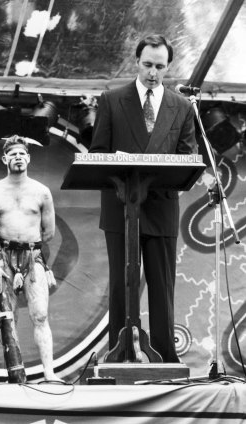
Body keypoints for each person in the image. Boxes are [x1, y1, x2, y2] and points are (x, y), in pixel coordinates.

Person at [89, 34, 198, 362]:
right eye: (148, 64)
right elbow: (97, 153)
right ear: (137, 61)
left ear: (168, 67)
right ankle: (119, 356)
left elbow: (187, 158)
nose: (153, 72)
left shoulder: (181, 107)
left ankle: (166, 358)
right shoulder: (112, 100)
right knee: (122, 286)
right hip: (121, 207)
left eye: (160, 66)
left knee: (163, 286)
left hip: (161, 205)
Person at [0, 135, 59, 381]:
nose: (18, 158)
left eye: (22, 154)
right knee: (7, 317)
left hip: (33, 259)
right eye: (13, 154)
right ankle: (14, 373)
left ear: (29, 158)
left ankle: (49, 373)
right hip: (2, 260)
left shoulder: (42, 192)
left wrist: (29, 249)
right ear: (5, 159)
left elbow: (49, 232)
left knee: (41, 315)